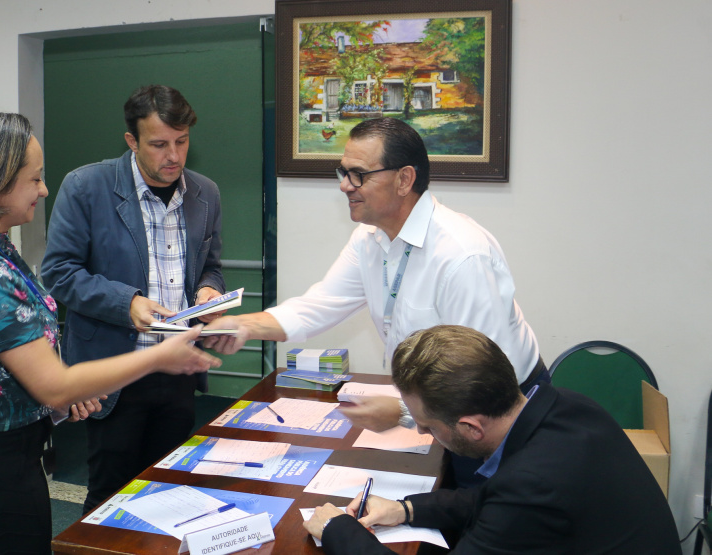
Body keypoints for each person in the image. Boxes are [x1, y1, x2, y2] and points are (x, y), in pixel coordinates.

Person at [0, 112, 220, 554]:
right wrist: (159, 355)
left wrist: (57, 393)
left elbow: (14, 358)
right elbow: (54, 385)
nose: (43, 190)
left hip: (7, 449)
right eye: (34, 179)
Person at [204, 118, 544, 476]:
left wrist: (402, 411)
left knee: (481, 507)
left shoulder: (461, 255)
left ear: (404, 179)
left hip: (497, 416)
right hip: (443, 413)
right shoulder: (370, 237)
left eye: (358, 175)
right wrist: (243, 325)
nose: (344, 186)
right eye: (343, 172)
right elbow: (317, 307)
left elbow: (479, 376)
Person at [303, 325, 680, 555]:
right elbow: (489, 497)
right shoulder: (566, 405)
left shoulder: (530, 484)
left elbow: (511, 498)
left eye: (428, 426)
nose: (421, 432)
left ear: (471, 427)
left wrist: (338, 531)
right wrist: (407, 509)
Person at [42, 85, 225, 514]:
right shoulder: (86, 186)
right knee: (110, 497)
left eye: (182, 141)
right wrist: (127, 303)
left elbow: (211, 266)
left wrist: (209, 290)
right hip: (114, 371)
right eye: (159, 144)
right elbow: (59, 272)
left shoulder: (205, 193)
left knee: (169, 491)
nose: (174, 156)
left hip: (177, 367)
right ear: (132, 141)